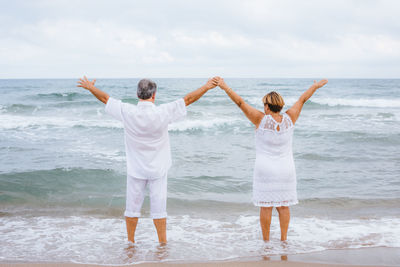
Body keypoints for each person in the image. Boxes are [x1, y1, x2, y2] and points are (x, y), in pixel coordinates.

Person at [77, 76, 220, 244]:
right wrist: (206, 86)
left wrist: (90, 88)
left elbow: (105, 99)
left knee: (132, 208)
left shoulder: (127, 111)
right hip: (158, 170)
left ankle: (131, 243)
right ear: (154, 95)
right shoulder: (163, 112)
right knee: (159, 209)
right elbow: (188, 99)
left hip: (136, 169)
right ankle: (162, 244)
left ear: (138, 94)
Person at [217, 78, 328, 241]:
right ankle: (283, 240)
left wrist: (224, 87)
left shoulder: (260, 119)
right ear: (281, 105)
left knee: (266, 207)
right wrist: (315, 87)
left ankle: (266, 242)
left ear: (267, 106)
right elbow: (302, 99)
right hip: (286, 169)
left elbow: (240, 103)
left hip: (265, 169)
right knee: (283, 206)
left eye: (264, 105)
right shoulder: (290, 118)